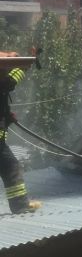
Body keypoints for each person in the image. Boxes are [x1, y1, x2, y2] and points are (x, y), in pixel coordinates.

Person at [0, 51, 40, 214]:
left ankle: (20, 205)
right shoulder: (3, 83)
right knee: (11, 167)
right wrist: (23, 64)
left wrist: (7, 115)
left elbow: (9, 82)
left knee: (9, 167)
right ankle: (20, 205)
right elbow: (10, 80)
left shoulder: (3, 85)